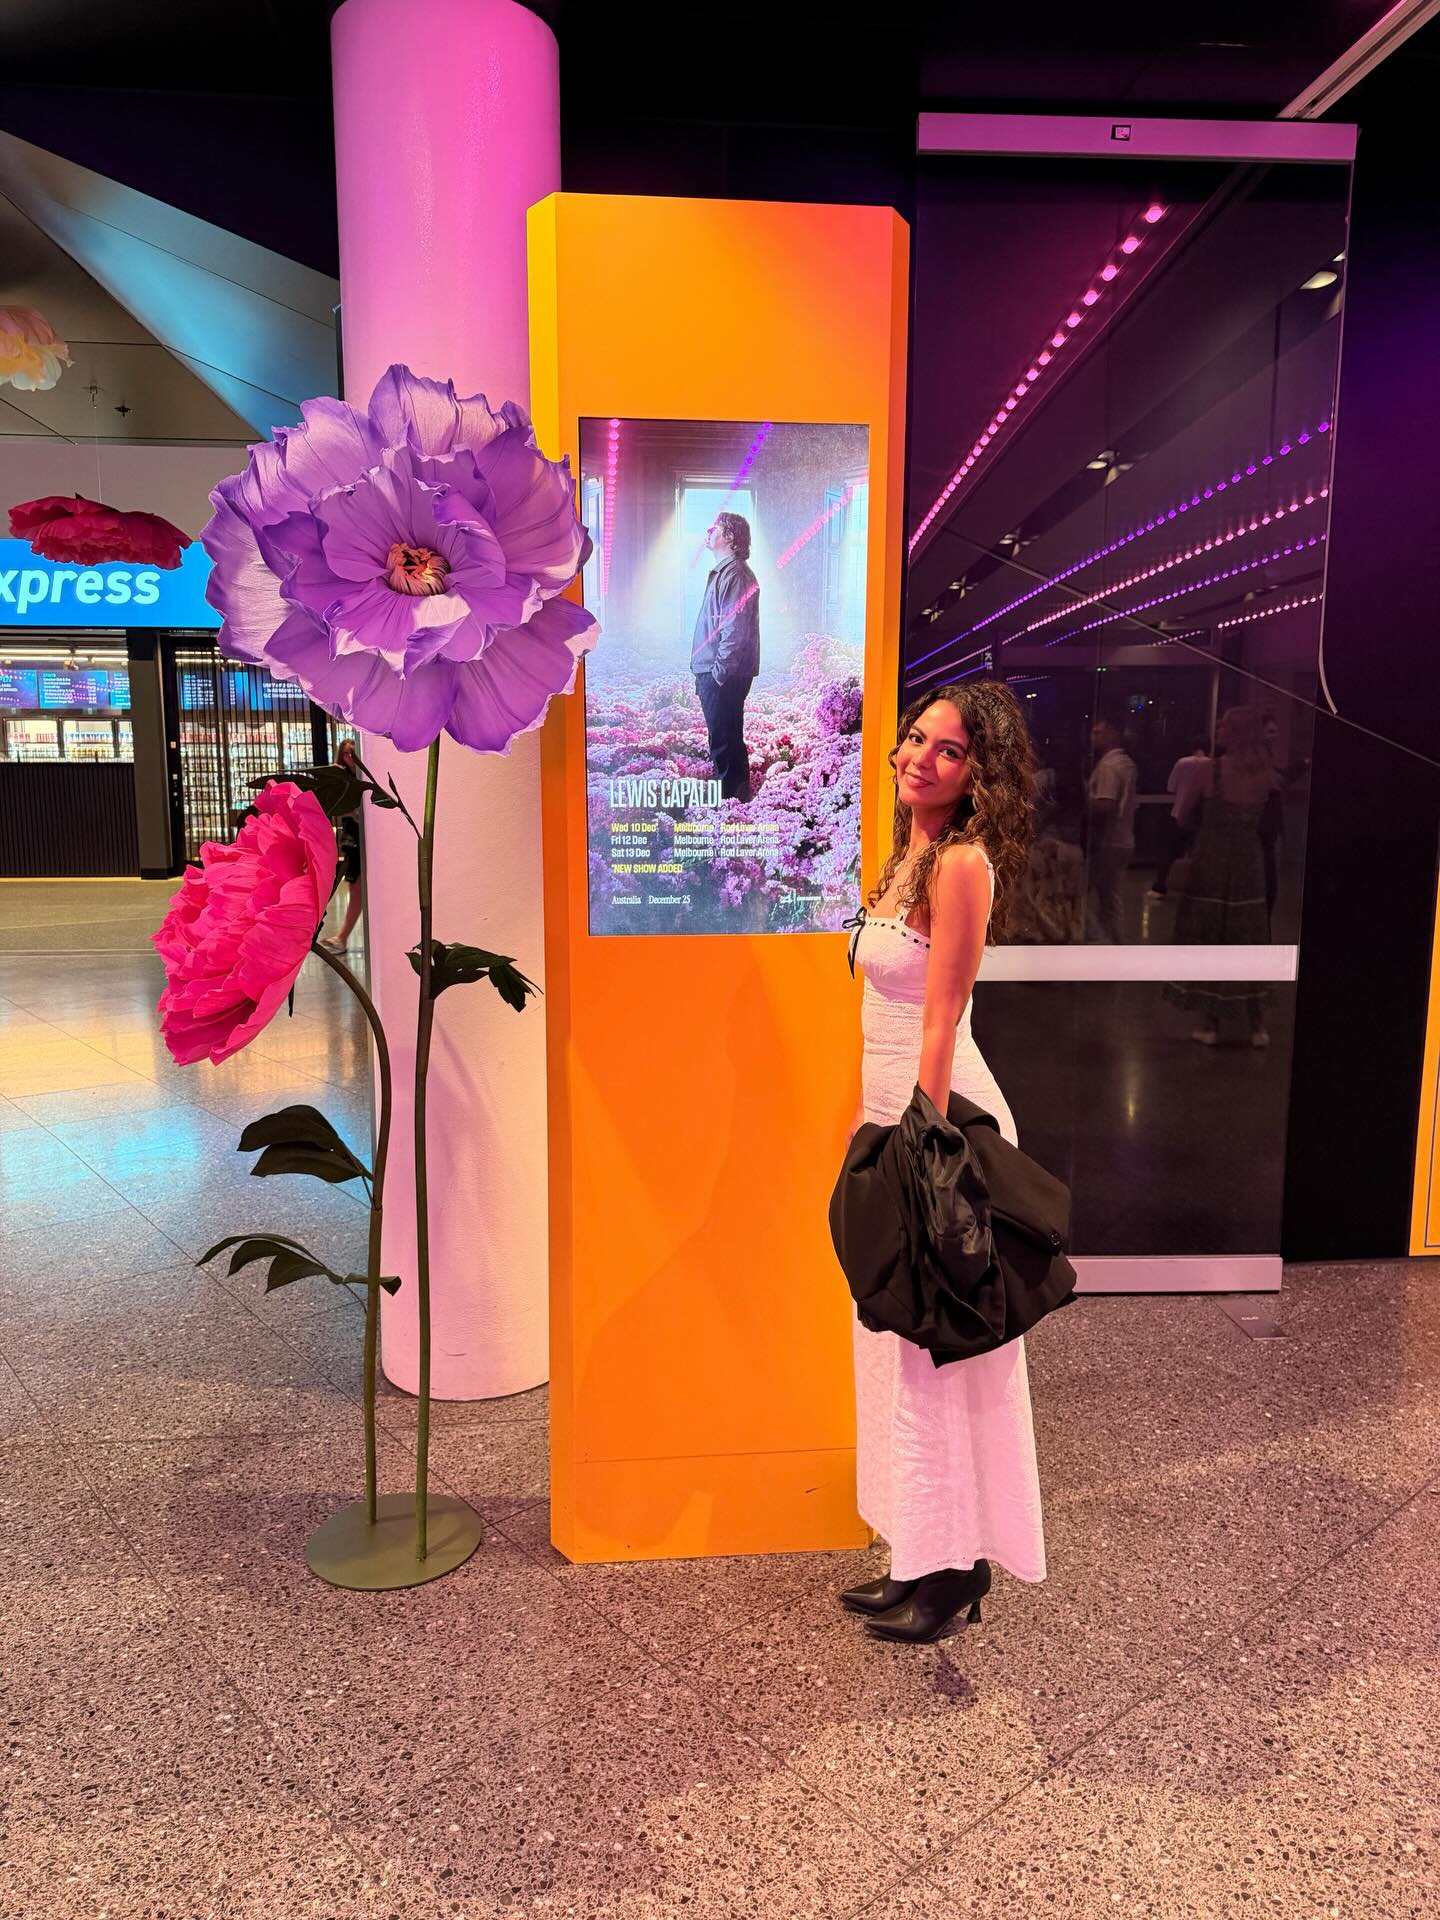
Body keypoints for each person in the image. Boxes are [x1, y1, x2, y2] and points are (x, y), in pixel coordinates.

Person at [839, 679, 1045, 1644]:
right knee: (894, 1344)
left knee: (941, 1354)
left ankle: (955, 1571)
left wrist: (918, 1136)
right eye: (915, 739)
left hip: (941, 1114)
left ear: (977, 775)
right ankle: (918, 1550)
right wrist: (865, 1126)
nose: (919, 757)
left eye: (948, 750)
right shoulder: (905, 855)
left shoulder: (961, 861)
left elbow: (942, 1012)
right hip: (890, 1112)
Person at [1164, 706, 1277, 1046]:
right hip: (1250, 864)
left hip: (1211, 862)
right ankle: (1258, 1025)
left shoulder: (1207, 771)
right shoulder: (1265, 773)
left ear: (1235, 732)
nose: (1218, 729)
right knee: (1248, 937)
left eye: (1224, 725)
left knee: (1210, 937)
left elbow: (1181, 817)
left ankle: (1211, 1023)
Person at [690, 511, 759, 801]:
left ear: (729, 537)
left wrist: (718, 673)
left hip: (723, 674)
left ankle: (733, 804)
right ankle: (736, 801)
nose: (709, 530)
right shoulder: (729, 572)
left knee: (724, 740)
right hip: (720, 672)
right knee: (726, 738)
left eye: (715, 527)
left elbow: (734, 629)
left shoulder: (735, 574)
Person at [1085, 716, 1137, 942]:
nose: (1093, 737)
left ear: (1114, 734)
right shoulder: (1126, 763)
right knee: (1111, 898)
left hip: (1107, 840)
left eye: (1098, 732)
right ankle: (1115, 944)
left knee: (1085, 896)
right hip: (1124, 839)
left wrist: (1079, 802)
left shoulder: (1108, 766)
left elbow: (1106, 804)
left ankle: (1103, 943)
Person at [1147, 737, 1212, 900]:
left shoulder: (1182, 763)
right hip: (1202, 818)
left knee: (1170, 854)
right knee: (1202, 855)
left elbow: (1172, 787)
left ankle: (1160, 887)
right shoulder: (1212, 765)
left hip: (1179, 812)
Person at [321, 737, 364, 952]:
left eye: (353, 752)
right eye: (347, 753)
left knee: (358, 888)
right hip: (353, 837)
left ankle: (343, 937)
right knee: (356, 886)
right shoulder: (344, 778)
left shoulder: (364, 776)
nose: (350, 757)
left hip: (360, 836)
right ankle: (343, 937)